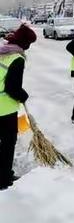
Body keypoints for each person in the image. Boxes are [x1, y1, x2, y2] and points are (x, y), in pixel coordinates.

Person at [0, 24, 37, 190]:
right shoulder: (17, 58)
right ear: (25, 43)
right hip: (4, 108)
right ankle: (4, 178)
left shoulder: (3, 51)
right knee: (8, 143)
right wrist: (23, 96)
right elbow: (12, 88)